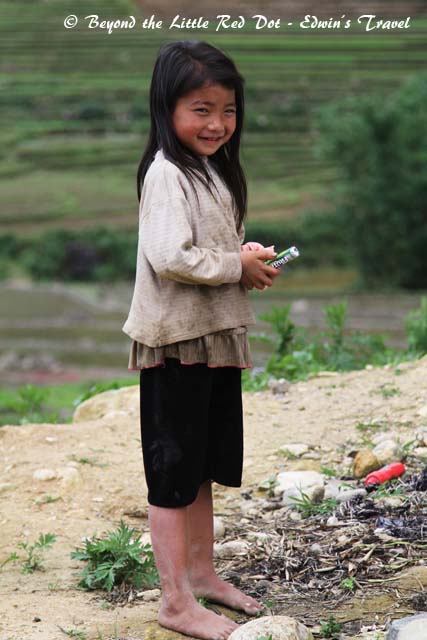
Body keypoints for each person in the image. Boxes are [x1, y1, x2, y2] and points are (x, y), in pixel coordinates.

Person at [122, 40, 280, 640]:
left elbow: (204, 248)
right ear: (168, 108)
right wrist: (235, 265)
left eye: (228, 110)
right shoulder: (167, 173)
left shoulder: (210, 169)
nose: (217, 124)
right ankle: (174, 602)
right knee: (171, 477)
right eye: (202, 109)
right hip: (177, 345)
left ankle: (202, 575)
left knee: (202, 467)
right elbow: (170, 256)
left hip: (210, 339)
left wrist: (243, 255)